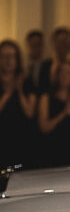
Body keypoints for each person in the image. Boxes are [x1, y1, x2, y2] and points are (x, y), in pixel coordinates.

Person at [37, 61, 70, 166]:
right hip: (52, 150)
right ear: (57, 75)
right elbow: (44, 128)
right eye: (62, 72)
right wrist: (64, 113)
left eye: (69, 73)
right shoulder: (46, 98)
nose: (65, 76)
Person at [0, 39, 38, 169]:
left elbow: (30, 112)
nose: (9, 60)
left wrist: (20, 90)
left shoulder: (27, 82)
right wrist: (7, 94)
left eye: (12, 56)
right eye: (5, 56)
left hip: (21, 139)